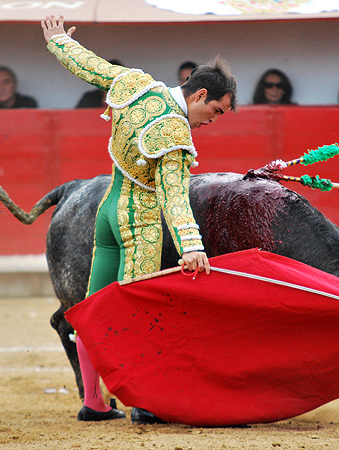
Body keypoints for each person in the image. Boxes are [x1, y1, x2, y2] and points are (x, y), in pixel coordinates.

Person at [41, 15, 237, 424]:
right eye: (215, 111)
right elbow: (173, 196)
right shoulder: (174, 133)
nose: (212, 122)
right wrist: (192, 247)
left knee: (92, 309)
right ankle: (144, 402)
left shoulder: (136, 84)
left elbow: (91, 67)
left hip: (108, 209)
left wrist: (59, 41)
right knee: (139, 314)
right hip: (140, 222)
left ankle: (94, 402)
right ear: (200, 94)